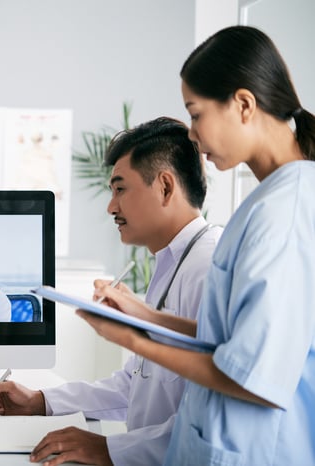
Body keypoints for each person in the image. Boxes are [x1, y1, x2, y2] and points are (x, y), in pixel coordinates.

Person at [87, 26, 315, 465]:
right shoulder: (270, 199)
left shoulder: (285, 211)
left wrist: (137, 339)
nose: (191, 134)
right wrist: (147, 317)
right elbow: (234, 339)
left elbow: (254, 377)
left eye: (195, 114)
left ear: (244, 104)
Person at [0, 117, 222, 465]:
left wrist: (108, 449)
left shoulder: (208, 268)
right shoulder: (172, 263)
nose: (111, 206)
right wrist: (40, 401)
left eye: (120, 189)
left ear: (165, 187)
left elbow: (210, 422)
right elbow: (136, 384)